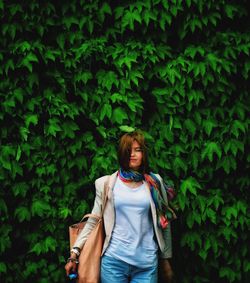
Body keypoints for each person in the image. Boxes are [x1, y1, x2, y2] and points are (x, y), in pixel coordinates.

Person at [65, 130, 176, 282]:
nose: (133, 154)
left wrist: (166, 259)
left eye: (138, 150)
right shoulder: (106, 184)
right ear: (122, 153)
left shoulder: (154, 183)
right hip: (114, 262)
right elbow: (93, 222)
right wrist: (74, 253)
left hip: (147, 263)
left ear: (144, 154)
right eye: (128, 150)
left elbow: (164, 222)